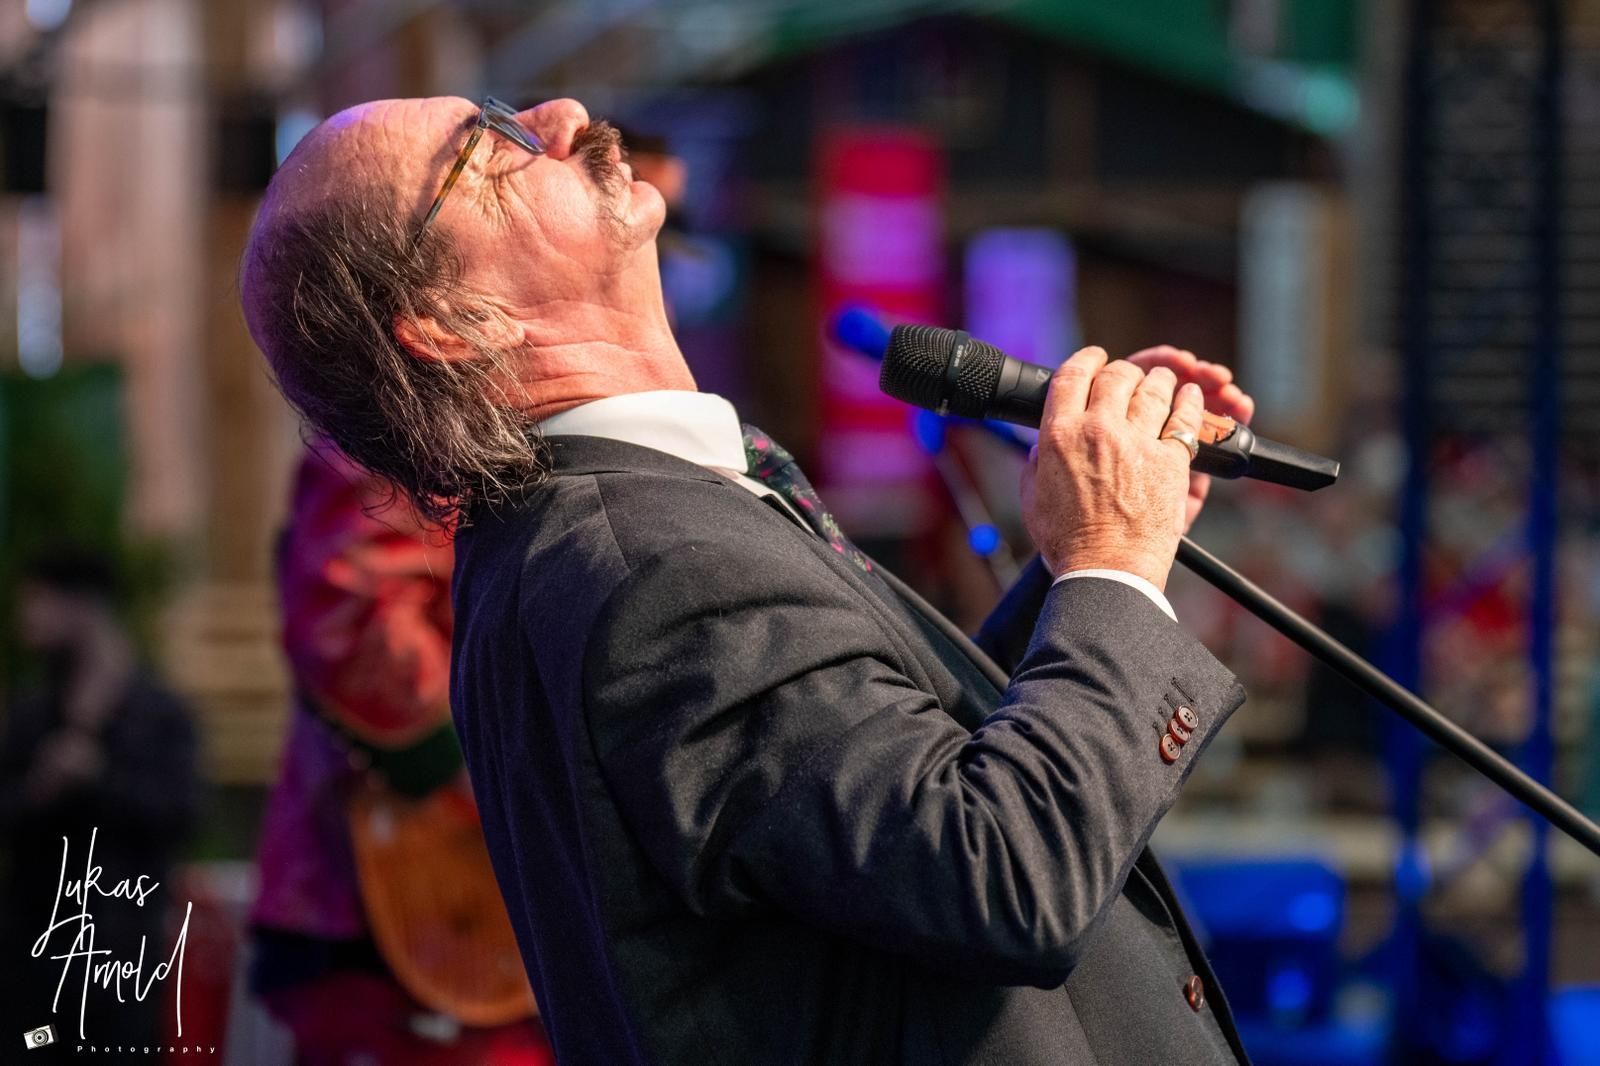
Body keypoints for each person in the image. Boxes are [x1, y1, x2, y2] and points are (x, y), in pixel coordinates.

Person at [240, 96, 1259, 1065]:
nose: (560, 118)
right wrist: (1111, 561)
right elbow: (1001, 873)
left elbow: (877, 791)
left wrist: (1095, 544)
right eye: (488, 143)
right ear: (454, 321)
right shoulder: (650, 566)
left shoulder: (636, 522)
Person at [248, 437, 554, 1065]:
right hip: (418, 877)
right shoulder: (394, 422)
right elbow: (354, 627)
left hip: (486, 891)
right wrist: (500, 784)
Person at [0, 548, 201, 1057]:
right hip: (37, 956)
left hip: (121, 957)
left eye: (39, 601)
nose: (27, 618)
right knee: (34, 1047)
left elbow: (180, 814)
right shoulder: (32, 714)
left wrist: (98, 779)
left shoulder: (157, 715)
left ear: (83, 606)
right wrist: (46, 783)